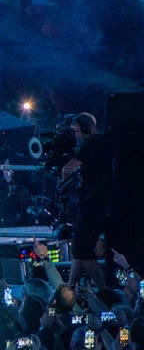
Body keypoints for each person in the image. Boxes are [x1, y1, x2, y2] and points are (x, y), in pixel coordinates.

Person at [59, 112, 112, 289]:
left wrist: (62, 182)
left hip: (92, 204)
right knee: (79, 251)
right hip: (102, 203)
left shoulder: (91, 146)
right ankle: (70, 287)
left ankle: (104, 292)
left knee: (82, 252)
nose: (76, 136)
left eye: (77, 131)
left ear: (87, 129)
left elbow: (68, 169)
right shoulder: (105, 143)